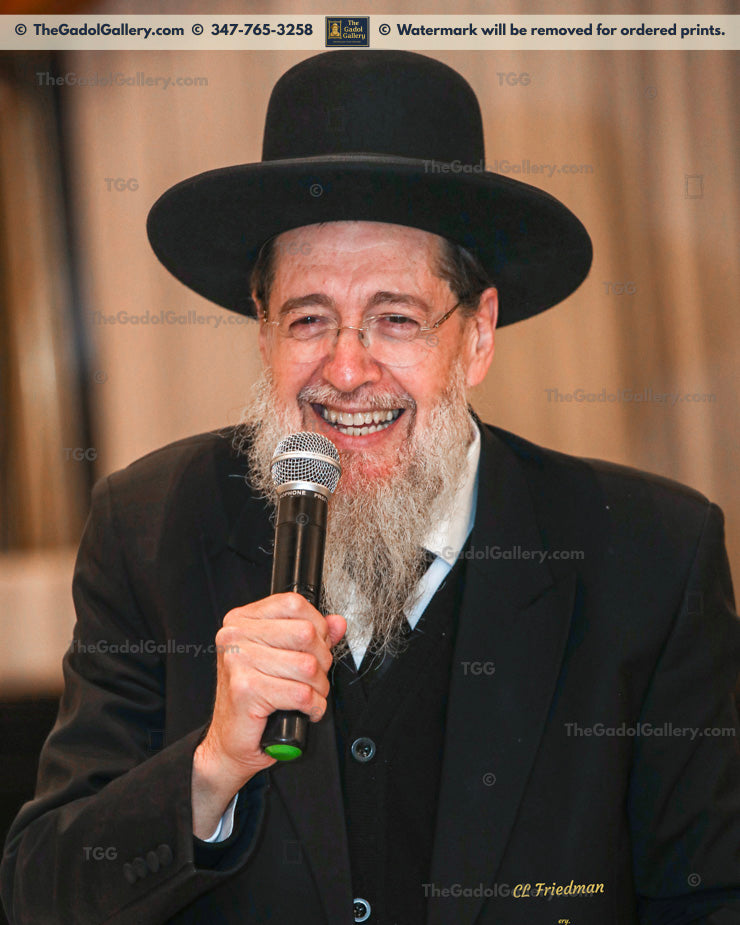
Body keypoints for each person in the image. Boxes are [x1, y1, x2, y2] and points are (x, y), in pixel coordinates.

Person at [2, 50, 739, 925]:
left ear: (478, 335)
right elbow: (40, 891)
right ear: (263, 331)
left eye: (396, 318)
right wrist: (209, 769)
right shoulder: (149, 528)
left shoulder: (650, 558)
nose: (347, 369)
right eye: (308, 317)